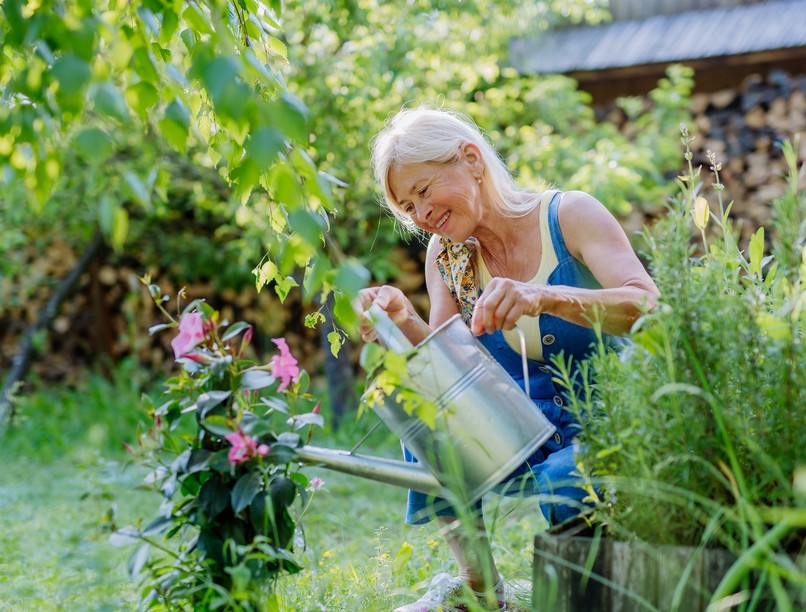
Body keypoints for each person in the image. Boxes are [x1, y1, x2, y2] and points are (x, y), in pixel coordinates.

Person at [354, 106, 659, 611]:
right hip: (522, 428)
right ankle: (480, 588)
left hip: (611, 420)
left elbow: (649, 306)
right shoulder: (446, 255)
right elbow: (453, 372)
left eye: (424, 191)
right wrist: (404, 320)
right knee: (423, 403)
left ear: (472, 160)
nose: (420, 214)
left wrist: (547, 297)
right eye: (408, 206)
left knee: (566, 478)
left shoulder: (568, 215)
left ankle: (601, 592)